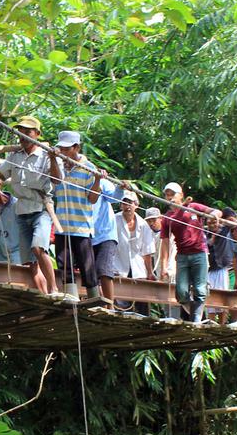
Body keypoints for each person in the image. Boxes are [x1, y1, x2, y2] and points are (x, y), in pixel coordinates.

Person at [0, 116, 61, 294]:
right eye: (20, 132)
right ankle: (43, 292)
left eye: (28, 132)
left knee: (38, 248)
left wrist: (54, 159)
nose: (23, 135)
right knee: (30, 261)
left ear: (37, 134)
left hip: (41, 209)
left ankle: (54, 288)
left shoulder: (47, 155)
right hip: (22, 211)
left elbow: (57, 179)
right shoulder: (14, 156)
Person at [157, 183, 218, 322]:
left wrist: (214, 215)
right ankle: (197, 316)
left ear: (181, 195)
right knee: (181, 293)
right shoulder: (167, 218)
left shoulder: (193, 207)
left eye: (173, 194)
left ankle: (196, 319)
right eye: (167, 194)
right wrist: (164, 266)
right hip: (182, 256)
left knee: (200, 290)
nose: (170, 197)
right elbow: (165, 243)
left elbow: (214, 211)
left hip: (199, 253)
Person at [50, 130, 101, 298]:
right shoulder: (58, 165)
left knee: (87, 266)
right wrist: (52, 158)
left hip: (81, 227)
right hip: (62, 226)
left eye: (67, 149)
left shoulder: (89, 169)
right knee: (64, 265)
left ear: (76, 147)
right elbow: (55, 181)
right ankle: (70, 298)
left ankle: (94, 299)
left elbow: (93, 199)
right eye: (61, 149)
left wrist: (98, 180)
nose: (63, 153)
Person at [116, 190, 157, 313]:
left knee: (142, 303)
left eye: (130, 203)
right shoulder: (114, 219)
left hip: (138, 269)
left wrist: (150, 272)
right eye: (124, 203)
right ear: (120, 205)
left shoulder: (143, 224)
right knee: (120, 304)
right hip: (118, 267)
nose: (127, 206)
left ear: (136, 205)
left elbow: (147, 251)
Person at [89, 169, 122, 305]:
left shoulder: (102, 182)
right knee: (91, 274)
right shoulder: (76, 181)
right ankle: (101, 304)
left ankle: (110, 305)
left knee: (104, 270)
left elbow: (115, 197)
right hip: (87, 234)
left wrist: (120, 188)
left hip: (105, 233)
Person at [146, 206, 179, 319]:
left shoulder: (170, 232)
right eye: (149, 221)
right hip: (160, 272)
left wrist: (170, 270)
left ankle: (176, 320)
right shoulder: (148, 235)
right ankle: (168, 320)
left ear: (160, 218)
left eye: (153, 220)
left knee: (175, 299)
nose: (151, 223)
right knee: (165, 301)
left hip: (173, 270)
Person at [205, 208, 235, 291]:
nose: (212, 225)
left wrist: (222, 220)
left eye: (214, 222)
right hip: (208, 270)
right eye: (210, 223)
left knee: (221, 293)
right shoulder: (204, 232)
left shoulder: (223, 231)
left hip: (220, 269)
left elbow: (235, 219)